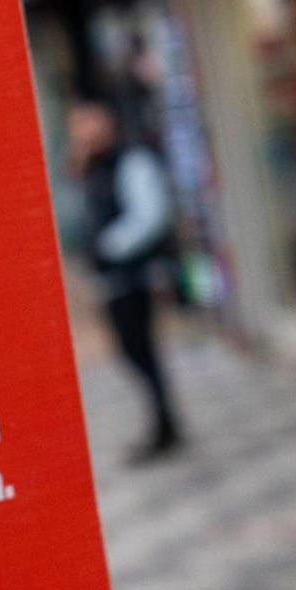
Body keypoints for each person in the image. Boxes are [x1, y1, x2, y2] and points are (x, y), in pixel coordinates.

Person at [68, 99, 183, 460]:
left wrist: (109, 246)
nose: (82, 131)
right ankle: (162, 421)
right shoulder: (92, 168)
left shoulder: (131, 160)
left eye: (87, 122)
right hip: (112, 280)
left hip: (135, 276)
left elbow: (150, 216)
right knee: (130, 351)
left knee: (141, 350)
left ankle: (165, 425)